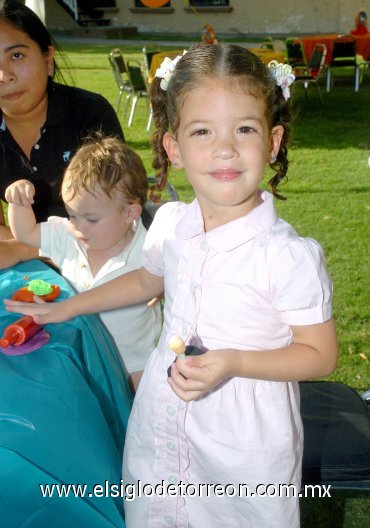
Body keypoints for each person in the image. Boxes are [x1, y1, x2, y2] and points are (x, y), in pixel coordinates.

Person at [5, 44, 339, 527]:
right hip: (164, 416)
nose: (225, 147)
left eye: (244, 128)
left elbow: (319, 353)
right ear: (174, 148)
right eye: (203, 131)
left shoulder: (287, 256)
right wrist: (69, 308)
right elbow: (145, 280)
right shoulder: (171, 225)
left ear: (273, 141)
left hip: (243, 445)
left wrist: (236, 362)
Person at [5, 135, 161, 392]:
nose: (77, 226)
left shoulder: (149, 249)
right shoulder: (69, 235)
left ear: (130, 213)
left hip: (134, 363)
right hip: (84, 354)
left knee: (135, 419)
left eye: (90, 218)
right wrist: (18, 201)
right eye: (72, 214)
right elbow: (26, 233)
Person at [0, 0, 124, 269]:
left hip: (103, 267)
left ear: (47, 59)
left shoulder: (89, 115)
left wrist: (27, 248)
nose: (4, 75)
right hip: (27, 271)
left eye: (17, 56)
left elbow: (116, 219)